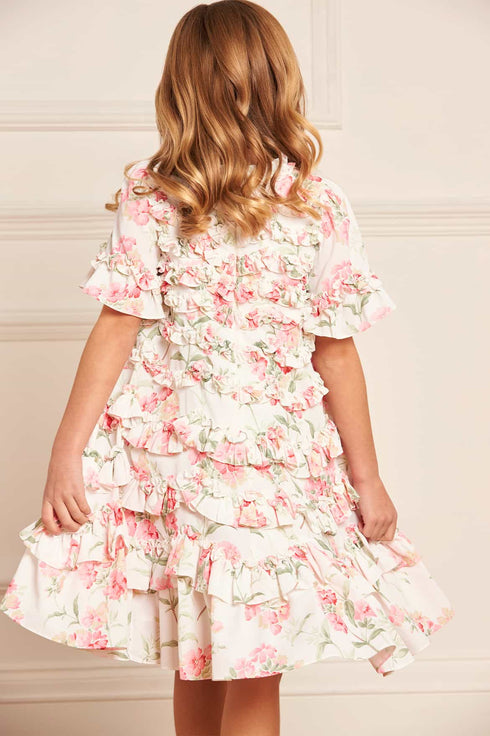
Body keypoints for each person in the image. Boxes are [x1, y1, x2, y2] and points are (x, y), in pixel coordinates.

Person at [0, 2, 455, 735]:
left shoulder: (308, 204)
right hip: (202, 465)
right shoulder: (165, 198)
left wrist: (366, 480)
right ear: (278, 79)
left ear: (181, 87)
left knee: (233, 652)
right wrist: (66, 458)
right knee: (218, 651)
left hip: (266, 469)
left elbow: (333, 348)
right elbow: (122, 323)